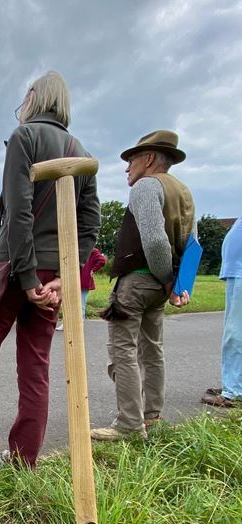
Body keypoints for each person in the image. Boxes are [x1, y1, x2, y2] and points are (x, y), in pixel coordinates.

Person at [0, 71, 100, 483]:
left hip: (13, 269)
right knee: (35, 367)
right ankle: (24, 461)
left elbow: (19, 212)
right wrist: (65, 274)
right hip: (53, 275)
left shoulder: (24, 137)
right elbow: (90, 224)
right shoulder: (81, 153)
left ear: (34, 97)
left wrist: (26, 279)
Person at [91, 130, 194, 441]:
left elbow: (154, 240)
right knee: (153, 350)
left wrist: (165, 280)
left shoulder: (147, 186)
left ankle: (128, 425)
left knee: (122, 351)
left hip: (138, 281)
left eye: (131, 160)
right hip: (161, 284)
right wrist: (177, 284)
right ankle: (151, 417)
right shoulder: (183, 191)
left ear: (149, 159)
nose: (127, 168)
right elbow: (192, 245)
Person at [201, 217, 242, 407]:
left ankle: (233, 392)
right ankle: (234, 383)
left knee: (235, 334)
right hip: (236, 272)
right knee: (233, 332)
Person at [56, 246, 107, 330]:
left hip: (83, 281)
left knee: (81, 304)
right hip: (71, 280)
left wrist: (93, 270)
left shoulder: (92, 250)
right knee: (66, 303)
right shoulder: (72, 248)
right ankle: (66, 324)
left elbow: (102, 260)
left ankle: (79, 325)